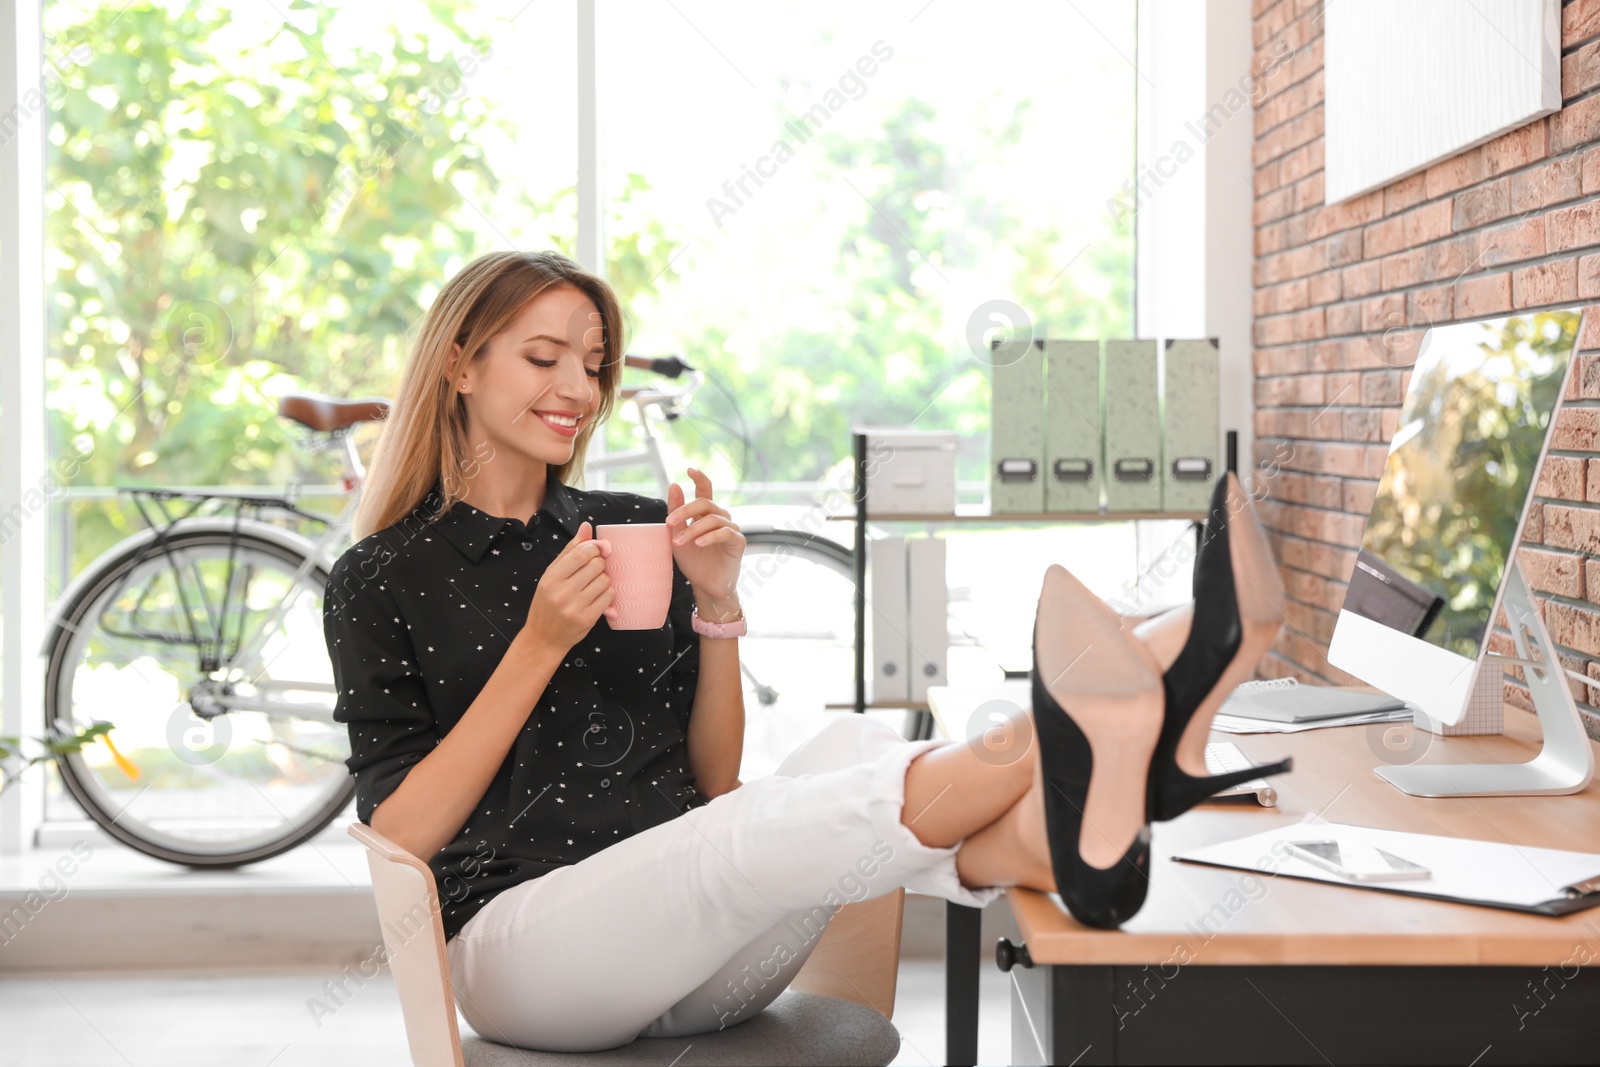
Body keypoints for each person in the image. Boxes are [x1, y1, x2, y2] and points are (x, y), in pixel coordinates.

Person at [325, 250, 1237, 1053]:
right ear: (458, 364)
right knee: (733, 838)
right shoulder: (379, 577)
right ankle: (1062, 732)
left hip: (702, 958)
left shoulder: (633, 529)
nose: (578, 388)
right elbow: (399, 834)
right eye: (542, 357)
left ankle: (1046, 832)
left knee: (848, 751)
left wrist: (717, 601)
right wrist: (539, 645)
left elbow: (713, 778)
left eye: (595, 365)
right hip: (523, 956)